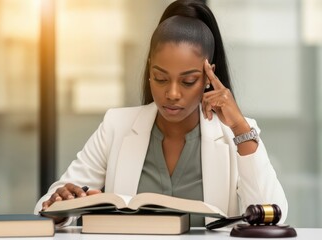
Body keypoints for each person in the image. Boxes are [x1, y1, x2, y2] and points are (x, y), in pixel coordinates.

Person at [34, 0, 288, 227]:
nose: (173, 93)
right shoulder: (117, 125)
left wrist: (241, 130)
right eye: (160, 78)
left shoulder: (236, 134)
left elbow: (274, 215)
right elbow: (46, 205)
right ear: (149, 72)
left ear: (209, 76)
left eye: (188, 81)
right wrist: (61, 206)